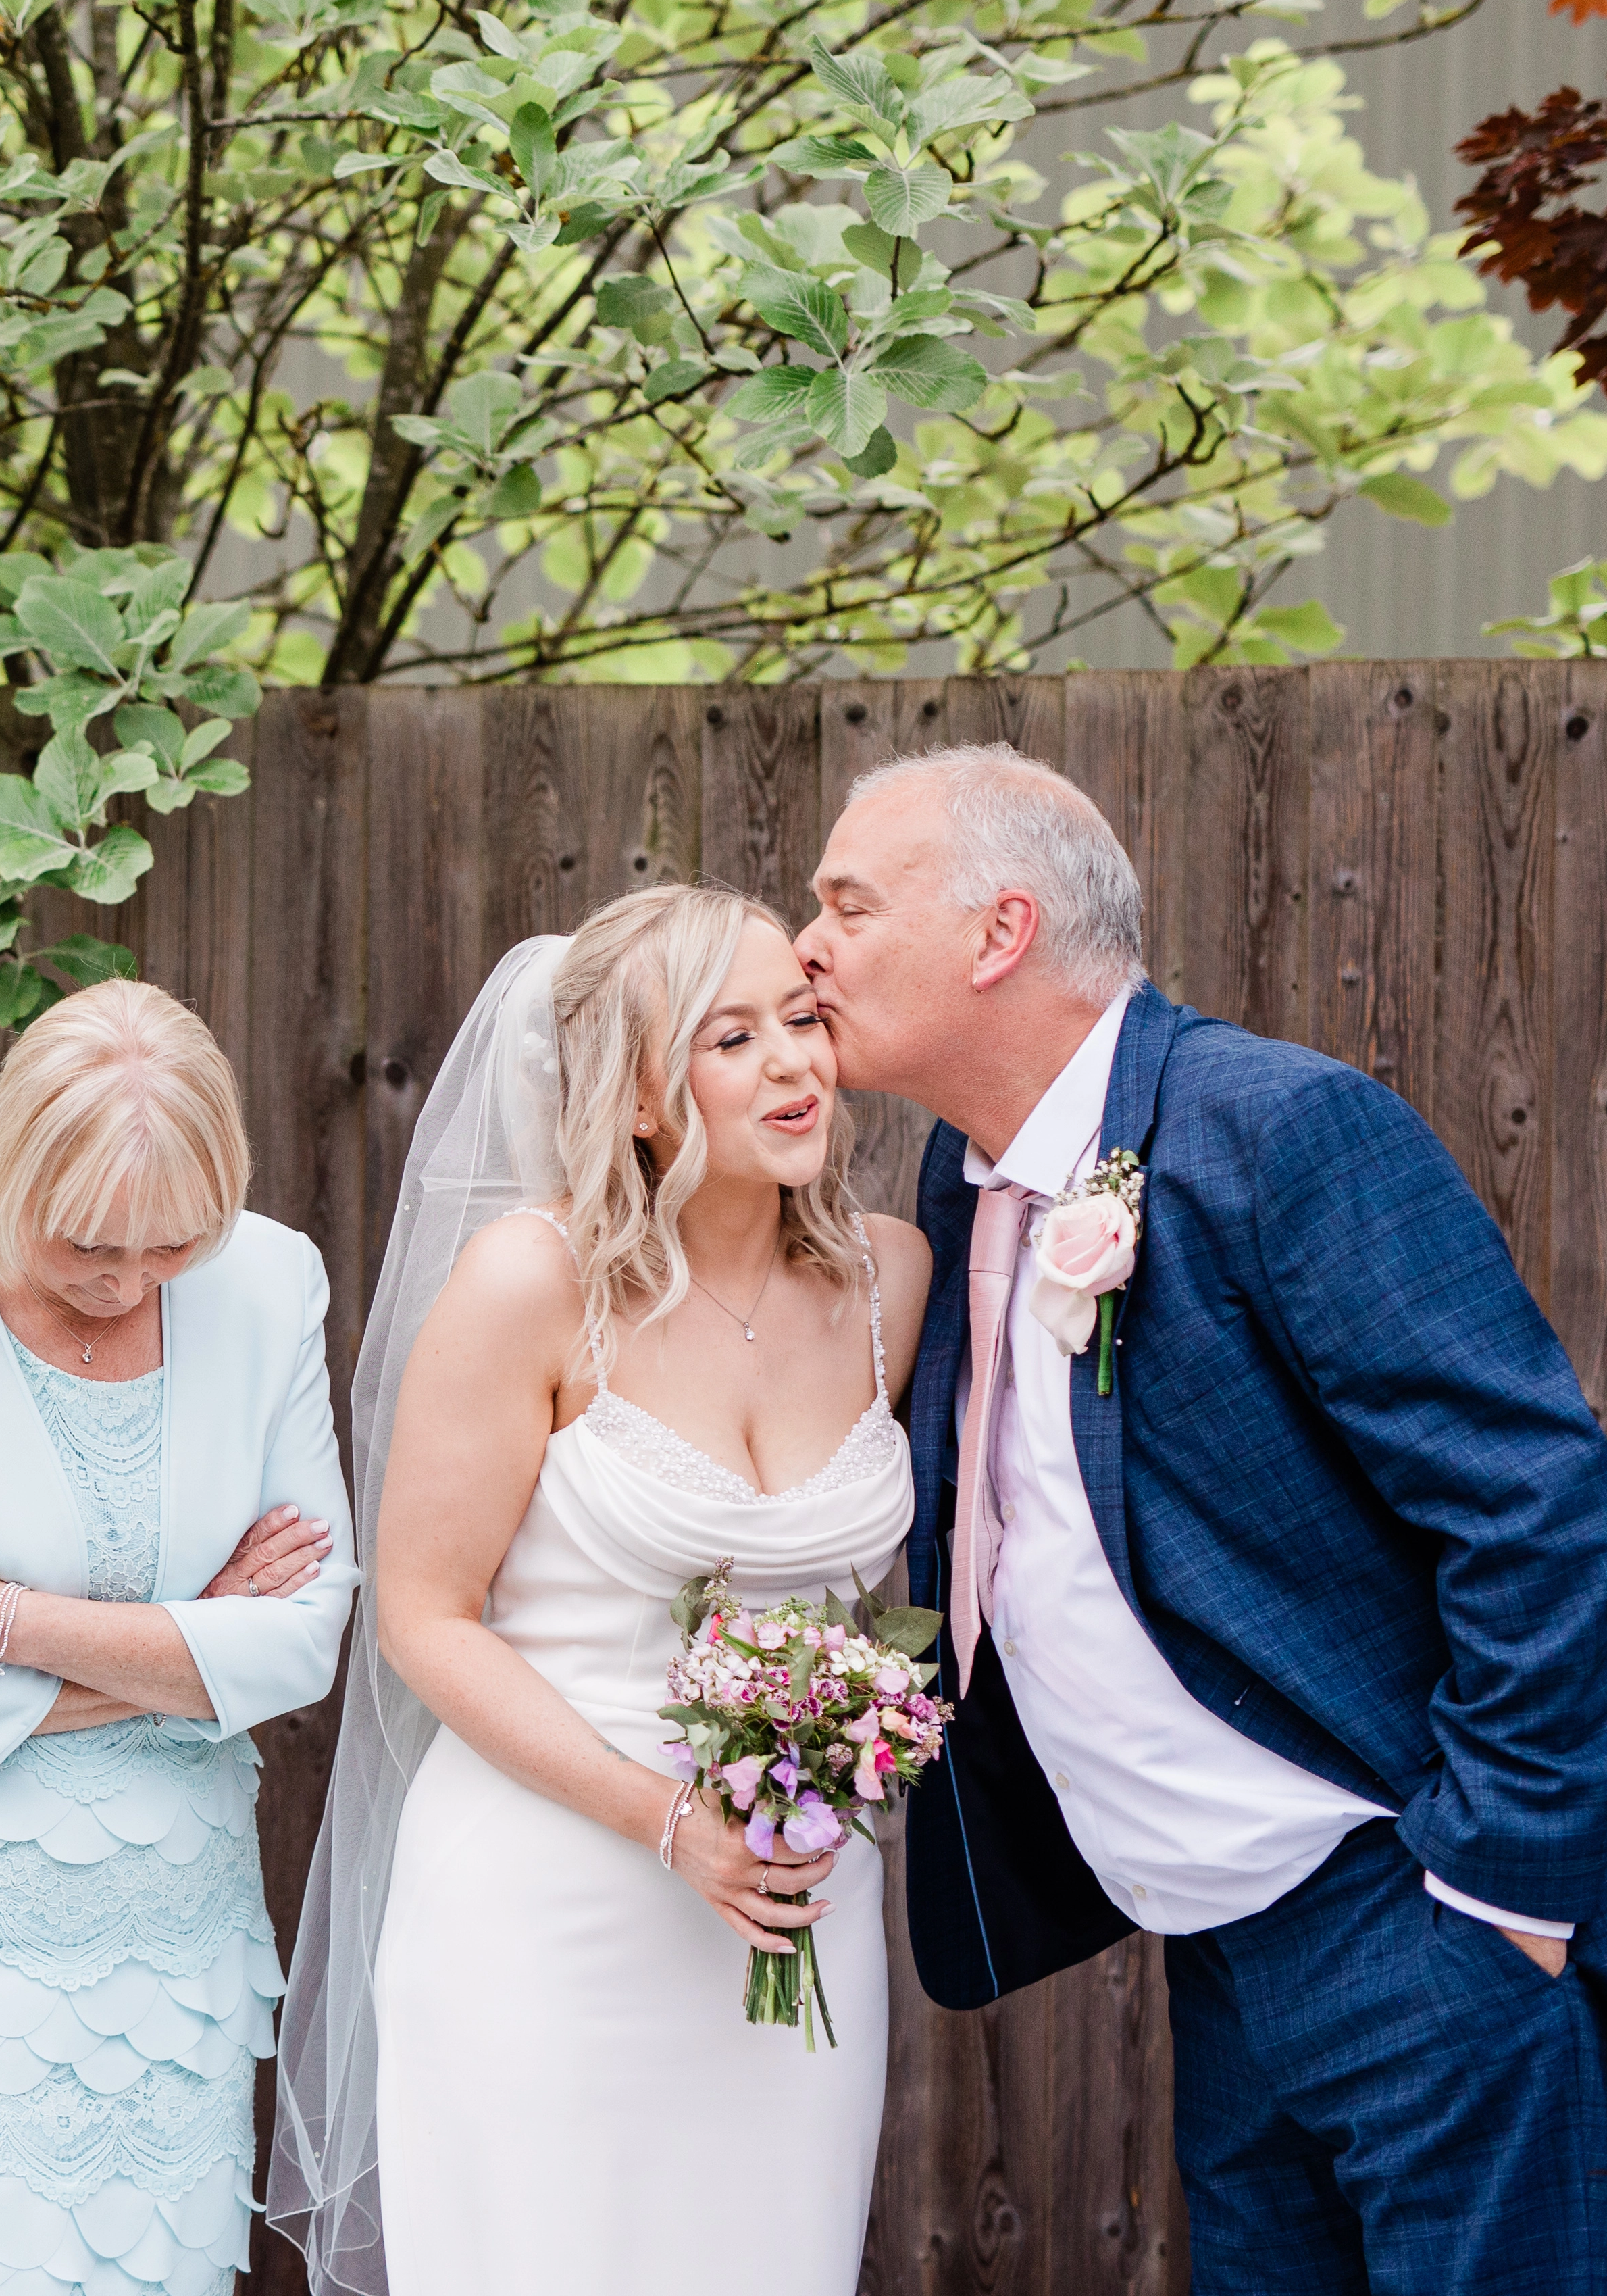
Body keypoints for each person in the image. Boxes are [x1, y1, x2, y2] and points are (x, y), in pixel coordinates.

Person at [800, 741, 1607, 2295]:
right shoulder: (965, 1184)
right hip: (1218, 1950)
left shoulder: (1277, 1130)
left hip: (1420, 1912)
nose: (810, 943)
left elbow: (1539, 1513)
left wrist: (1498, 1898)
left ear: (997, 932)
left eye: (850, 903)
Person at [270, 882, 933, 2296]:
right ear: (638, 1092)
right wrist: (669, 1816)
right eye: (733, 1036)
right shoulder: (534, 1280)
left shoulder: (893, 1276)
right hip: (551, 1898)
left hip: (800, 1904)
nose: (796, 1063)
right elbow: (423, 1615)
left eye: (803, 1020)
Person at [0, 978, 357, 2296]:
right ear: (10, 1176)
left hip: (172, 1929)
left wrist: (9, 1620)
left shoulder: (273, 1286)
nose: (123, 1283)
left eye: (169, 1249)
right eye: (85, 1246)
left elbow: (303, 1639)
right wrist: (185, 1647)